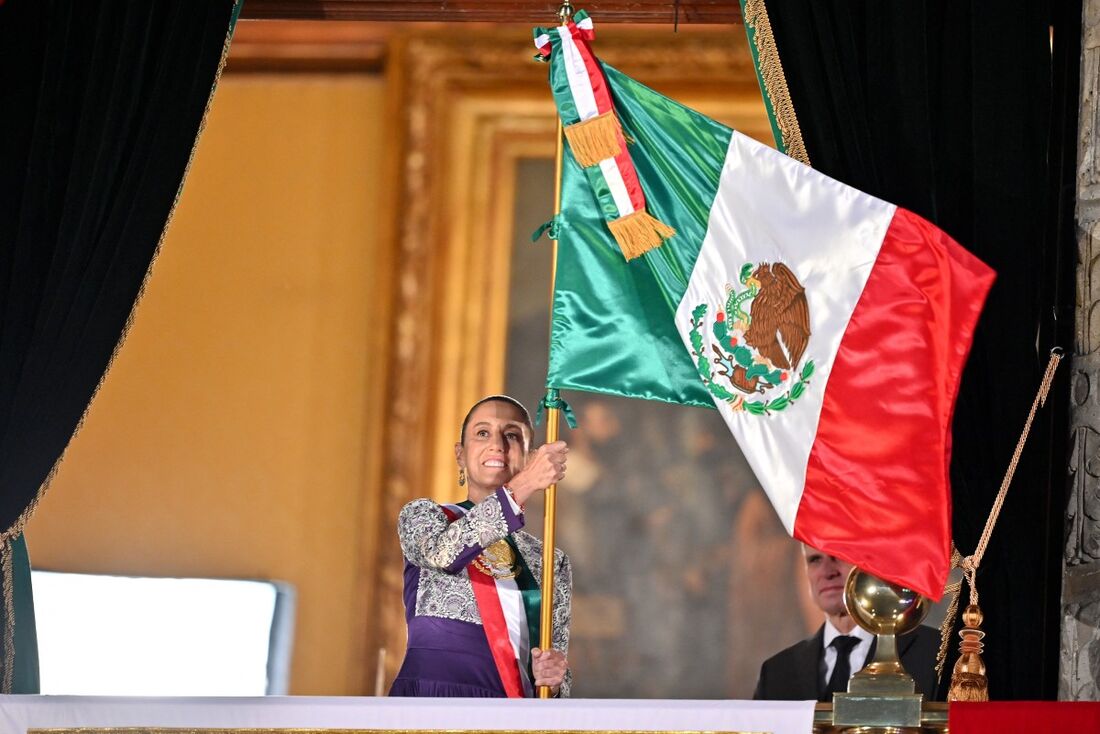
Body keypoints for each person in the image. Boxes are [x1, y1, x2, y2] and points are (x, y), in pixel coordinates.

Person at [390, 395, 572, 697]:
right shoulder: (424, 516)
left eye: (512, 435)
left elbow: (557, 677)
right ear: (460, 455)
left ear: (530, 456)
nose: (497, 445)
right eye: (482, 433)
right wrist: (524, 485)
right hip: (431, 702)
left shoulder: (551, 560)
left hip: (509, 711)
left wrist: (554, 679)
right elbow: (443, 553)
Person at [753, 544, 940, 701]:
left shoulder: (937, 652)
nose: (827, 572)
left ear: (870, 564)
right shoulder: (776, 672)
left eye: (839, 555)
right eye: (815, 560)